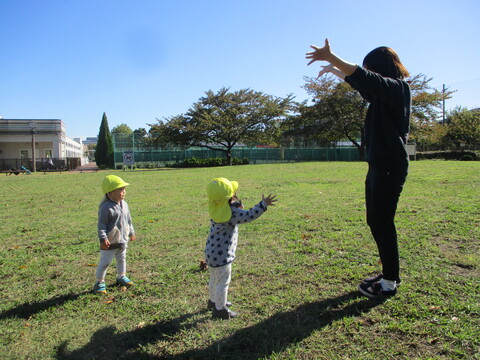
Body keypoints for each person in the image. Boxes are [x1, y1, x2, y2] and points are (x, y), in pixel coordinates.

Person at [306, 39, 411, 298]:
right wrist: (335, 72)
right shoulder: (383, 96)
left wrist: (332, 58)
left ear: (381, 68)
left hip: (389, 166)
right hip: (379, 166)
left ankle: (388, 283)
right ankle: (390, 274)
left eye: (371, 70)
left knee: (381, 222)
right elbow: (363, 84)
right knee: (375, 220)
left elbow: (364, 78)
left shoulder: (398, 89)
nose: (369, 75)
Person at [205, 177, 277, 319]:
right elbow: (249, 215)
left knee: (214, 279)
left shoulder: (215, 208)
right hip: (222, 256)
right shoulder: (232, 214)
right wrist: (263, 204)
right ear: (229, 197)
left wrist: (236, 204)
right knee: (223, 282)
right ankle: (220, 310)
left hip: (210, 252)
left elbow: (231, 208)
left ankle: (213, 301)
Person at [93, 175, 136, 294]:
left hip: (122, 239)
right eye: (120, 189)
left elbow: (128, 220)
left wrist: (131, 232)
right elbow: (102, 225)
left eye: (124, 189)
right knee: (105, 262)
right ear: (110, 192)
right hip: (110, 241)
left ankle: (121, 276)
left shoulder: (124, 204)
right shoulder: (106, 207)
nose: (124, 192)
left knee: (122, 259)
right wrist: (103, 238)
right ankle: (99, 282)